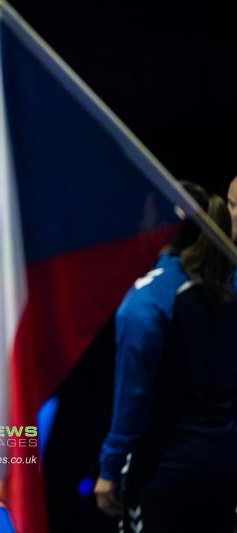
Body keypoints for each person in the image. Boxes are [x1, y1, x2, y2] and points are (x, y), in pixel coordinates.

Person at [94, 182, 210, 519]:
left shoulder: (145, 302)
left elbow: (134, 391)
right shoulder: (225, 286)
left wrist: (110, 465)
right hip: (222, 469)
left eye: (144, 216)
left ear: (159, 225)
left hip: (165, 468)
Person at [124, 194, 237, 532]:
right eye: (230, 204)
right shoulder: (209, 290)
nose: (230, 215)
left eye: (235, 205)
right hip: (209, 466)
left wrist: (111, 462)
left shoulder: (156, 301)